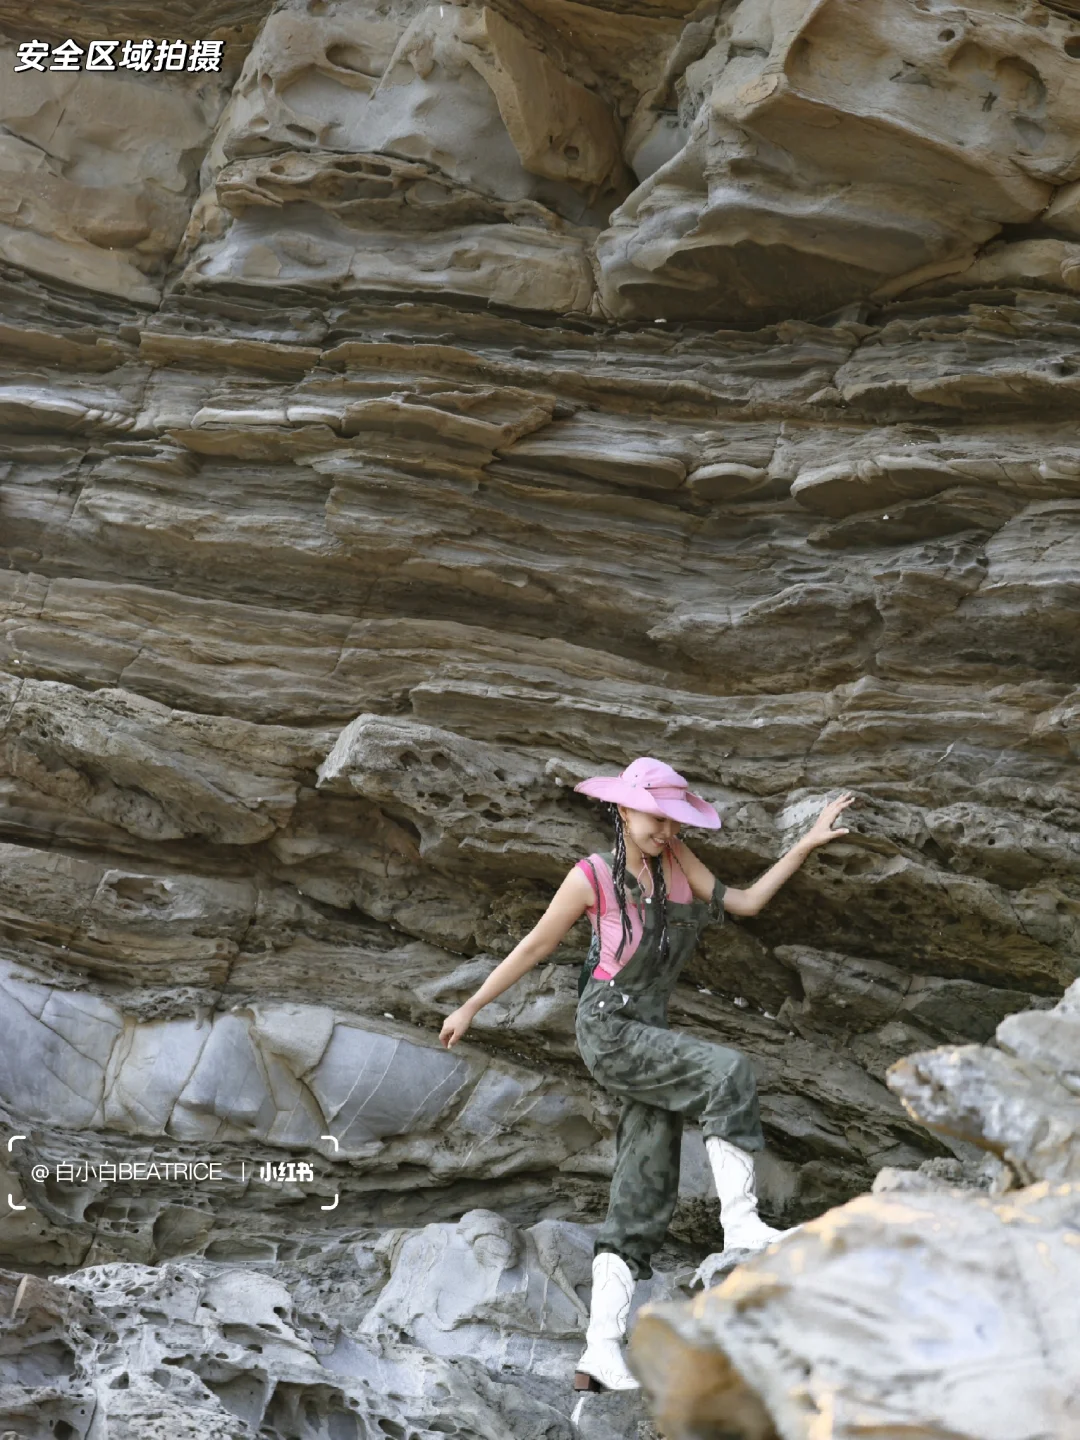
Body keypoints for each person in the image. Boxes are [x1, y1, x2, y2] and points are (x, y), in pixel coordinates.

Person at [439, 757, 854, 1394]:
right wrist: (470, 1007)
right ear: (622, 809)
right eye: (654, 817)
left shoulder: (678, 860)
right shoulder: (591, 876)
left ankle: (598, 1354)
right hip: (609, 1028)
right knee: (727, 1070)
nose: (664, 829)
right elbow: (535, 946)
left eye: (673, 820)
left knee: (645, 1182)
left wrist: (804, 844)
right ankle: (741, 1226)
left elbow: (744, 903)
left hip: (648, 1033)